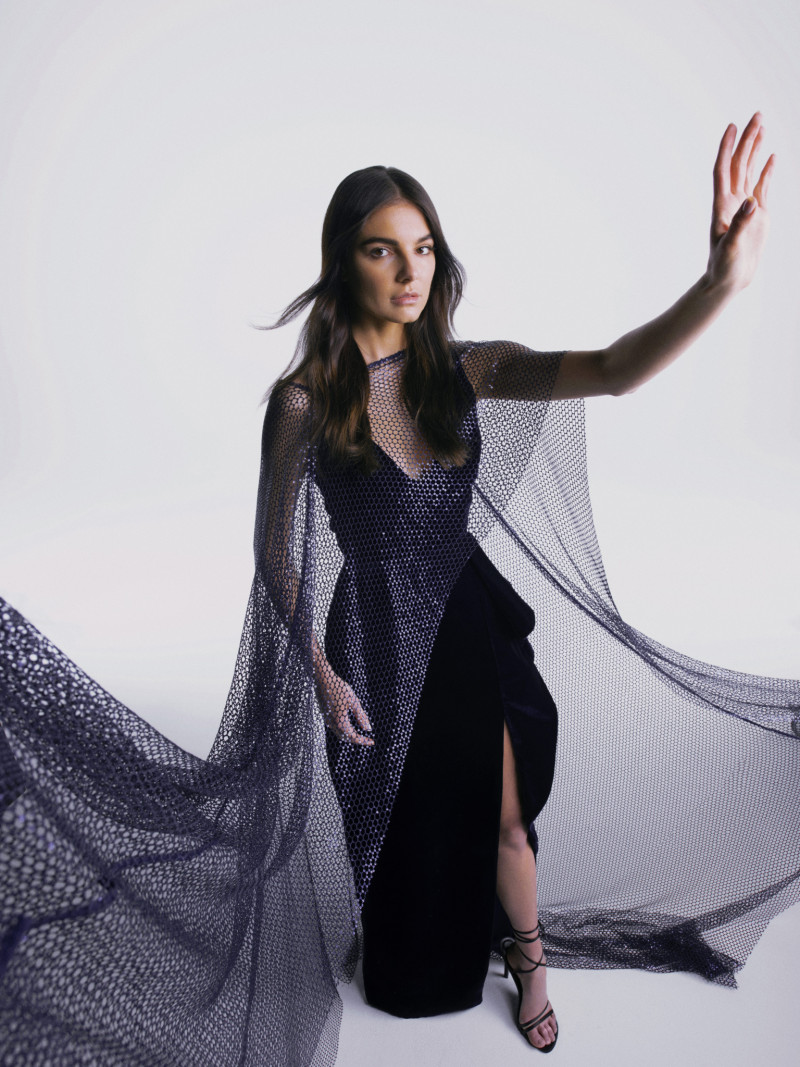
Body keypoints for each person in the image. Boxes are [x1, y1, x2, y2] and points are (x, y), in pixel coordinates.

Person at [1, 112, 798, 1067]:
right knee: (406, 845)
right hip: (374, 633)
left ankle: (531, 961)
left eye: (423, 249)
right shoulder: (305, 401)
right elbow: (272, 550)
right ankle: (427, 943)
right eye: (384, 250)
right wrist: (322, 673)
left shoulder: (468, 369)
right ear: (345, 262)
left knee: (506, 815)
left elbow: (616, 371)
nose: (410, 271)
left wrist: (719, 283)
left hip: (465, 622)